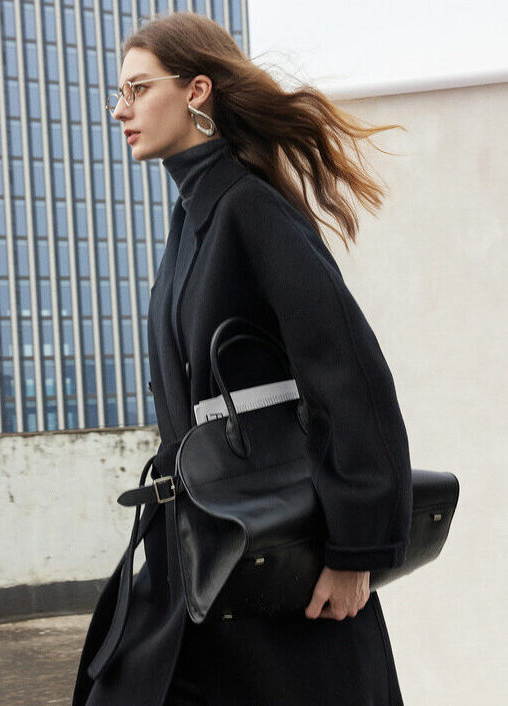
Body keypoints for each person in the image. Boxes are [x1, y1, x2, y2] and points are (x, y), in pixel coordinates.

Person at [73, 11, 412, 706]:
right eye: (119, 93)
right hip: (200, 557)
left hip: (279, 572)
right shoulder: (191, 221)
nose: (120, 110)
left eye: (138, 89)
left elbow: (349, 375)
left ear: (197, 90)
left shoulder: (249, 209)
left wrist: (355, 554)